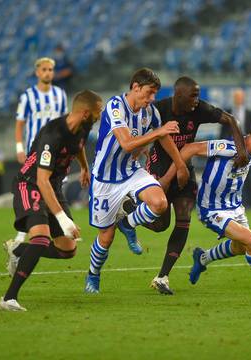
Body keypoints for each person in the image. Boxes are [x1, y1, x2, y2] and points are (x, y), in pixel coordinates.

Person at [123, 76, 248, 295]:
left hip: (184, 170)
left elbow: (229, 119)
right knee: (161, 225)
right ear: (178, 95)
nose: (197, 100)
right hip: (160, 169)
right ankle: (130, 212)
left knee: (184, 218)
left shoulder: (198, 109)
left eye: (198, 95)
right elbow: (151, 135)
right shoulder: (159, 109)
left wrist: (241, 149)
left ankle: (162, 277)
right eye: (193, 95)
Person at [161, 111, 251, 294]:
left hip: (235, 207)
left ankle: (203, 258)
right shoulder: (228, 147)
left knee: (240, 247)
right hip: (212, 210)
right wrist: (173, 173)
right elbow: (189, 148)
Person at [84, 68, 188, 294]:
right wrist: (157, 132)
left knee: (159, 203)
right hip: (105, 179)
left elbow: (164, 137)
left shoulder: (149, 112)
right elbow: (127, 143)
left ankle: (127, 223)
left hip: (131, 171)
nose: (152, 99)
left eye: (154, 95)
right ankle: (93, 274)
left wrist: (179, 163)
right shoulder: (115, 106)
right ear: (135, 87)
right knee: (106, 236)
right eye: (149, 93)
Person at [0, 90, 103, 311]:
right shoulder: (52, 135)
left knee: (68, 250)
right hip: (31, 184)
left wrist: (84, 167)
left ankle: (18, 250)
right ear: (85, 113)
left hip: (53, 186)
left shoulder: (84, 127)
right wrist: (62, 218)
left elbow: (79, 146)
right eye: (97, 111)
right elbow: (41, 180)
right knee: (41, 238)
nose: (99, 115)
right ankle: (8, 298)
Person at [12, 57, 68, 243]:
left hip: (56, 151)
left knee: (55, 186)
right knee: (35, 187)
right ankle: (23, 233)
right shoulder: (27, 96)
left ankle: (57, 229)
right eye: (44, 69)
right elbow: (20, 124)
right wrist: (20, 148)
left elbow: (64, 123)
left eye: (50, 69)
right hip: (35, 151)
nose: (48, 73)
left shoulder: (60, 94)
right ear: (37, 72)